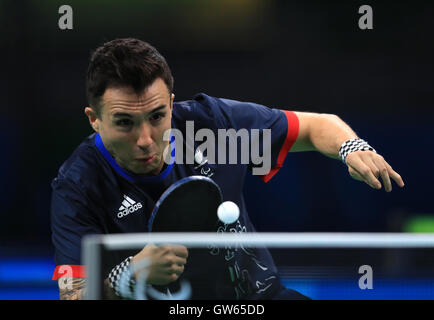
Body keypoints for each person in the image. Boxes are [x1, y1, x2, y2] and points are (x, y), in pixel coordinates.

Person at [50, 38, 405, 300]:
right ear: (94, 120)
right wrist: (128, 277)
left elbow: (317, 126)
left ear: (172, 105)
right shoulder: (79, 185)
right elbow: (72, 294)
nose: (145, 139)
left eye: (157, 117)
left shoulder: (212, 126)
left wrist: (352, 147)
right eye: (125, 122)